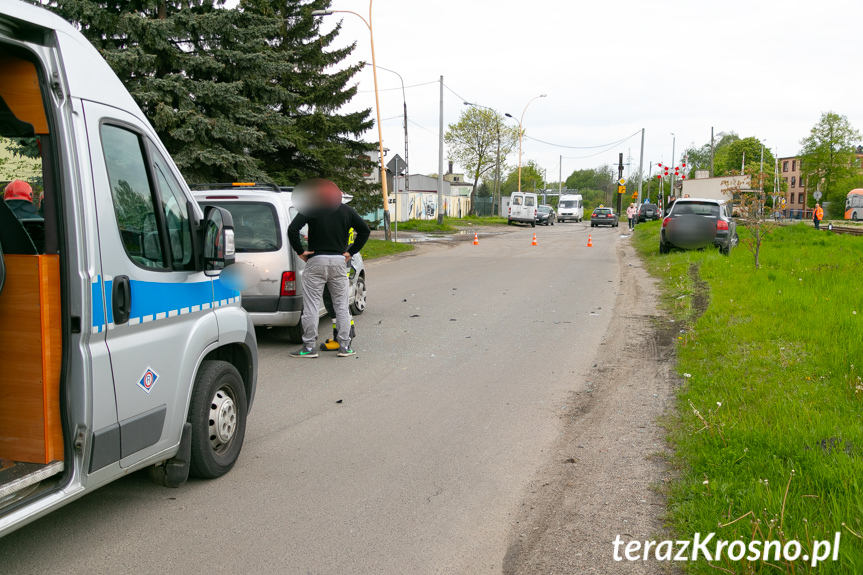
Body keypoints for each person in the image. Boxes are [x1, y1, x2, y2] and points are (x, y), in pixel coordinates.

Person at [287, 179, 370, 358]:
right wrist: (351, 252)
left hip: (316, 261)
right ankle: (345, 346)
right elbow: (365, 231)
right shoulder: (347, 211)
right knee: (341, 306)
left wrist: (301, 251)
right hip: (339, 262)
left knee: (311, 306)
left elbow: (293, 229)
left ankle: (309, 348)